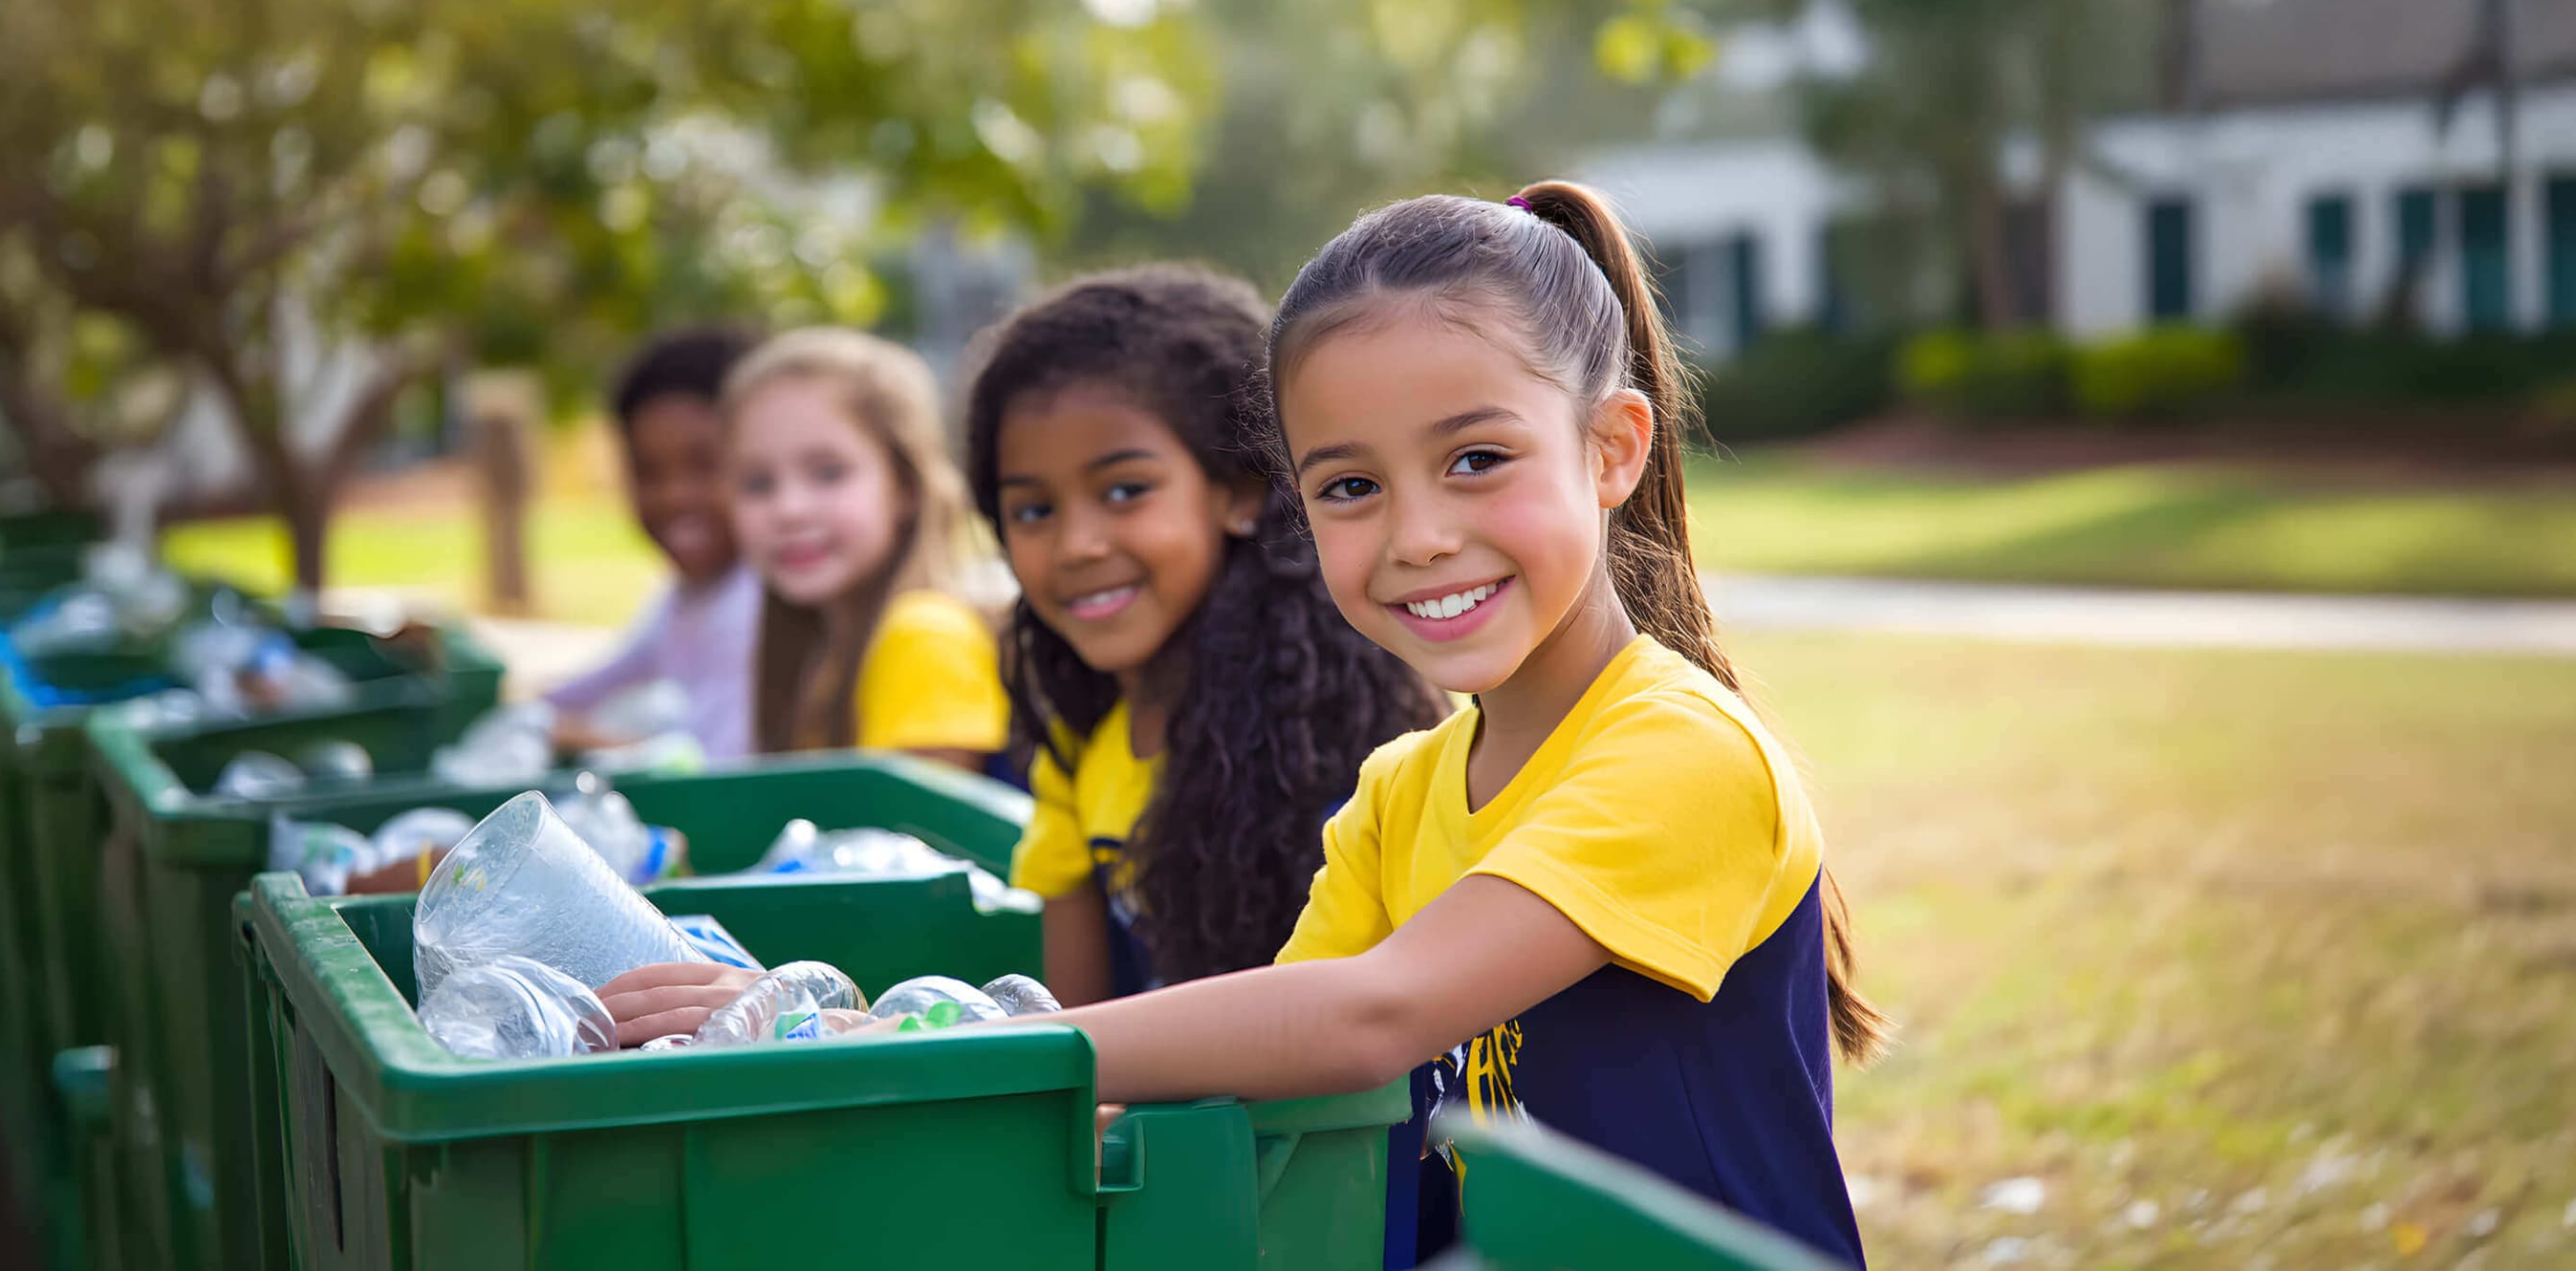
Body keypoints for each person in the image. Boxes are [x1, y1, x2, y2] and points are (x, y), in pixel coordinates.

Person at [606, 185, 1888, 1264]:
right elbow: (1260, 1052)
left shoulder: (1679, 752)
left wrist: (919, 1035)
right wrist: (848, 1027)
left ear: (1610, 451)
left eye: (1477, 459)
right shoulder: (1403, 787)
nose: (1417, 533)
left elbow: (1371, 1013)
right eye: (1349, 485)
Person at [962, 267, 1449, 1004]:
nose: (1076, 545)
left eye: (1125, 490)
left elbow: (1343, 1028)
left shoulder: (1349, 745)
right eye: (1033, 510)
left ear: (1239, 491)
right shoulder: (1079, 757)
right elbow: (1082, 1040)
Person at [720, 328, 1007, 769]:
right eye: (758, 483)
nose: (789, 509)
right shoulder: (819, 654)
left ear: (907, 486)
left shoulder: (924, 637)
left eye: (828, 472)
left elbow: (919, 836)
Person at [543, 330, 765, 761]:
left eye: (704, 464)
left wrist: (579, 737)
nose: (674, 495)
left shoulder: (754, 605)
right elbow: (595, 685)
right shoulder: (688, 598)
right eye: (648, 473)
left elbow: (720, 770)